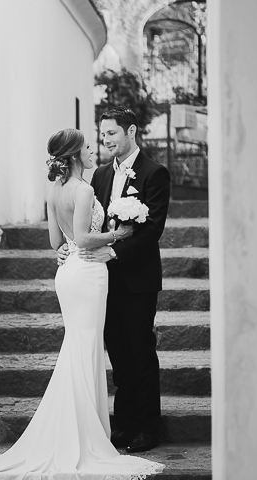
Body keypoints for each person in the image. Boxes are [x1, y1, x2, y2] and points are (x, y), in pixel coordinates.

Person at [0, 128, 164, 480]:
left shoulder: (54, 191)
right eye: (89, 146)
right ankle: (83, 437)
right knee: (84, 349)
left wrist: (72, 251)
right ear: (75, 154)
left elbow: (56, 243)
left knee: (80, 347)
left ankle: (78, 429)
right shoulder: (84, 190)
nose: (95, 150)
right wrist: (117, 233)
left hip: (69, 271)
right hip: (89, 273)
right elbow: (82, 236)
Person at [77, 107, 171, 454]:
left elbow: (152, 230)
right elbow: (92, 224)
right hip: (104, 280)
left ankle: (148, 427)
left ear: (130, 131)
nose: (106, 140)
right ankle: (124, 424)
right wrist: (71, 249)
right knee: (117, 352)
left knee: (140, 352)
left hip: (138, 279)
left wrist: (115, 253)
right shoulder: (100, 175)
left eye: (112, 134)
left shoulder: (154, 173)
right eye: (102, 135)